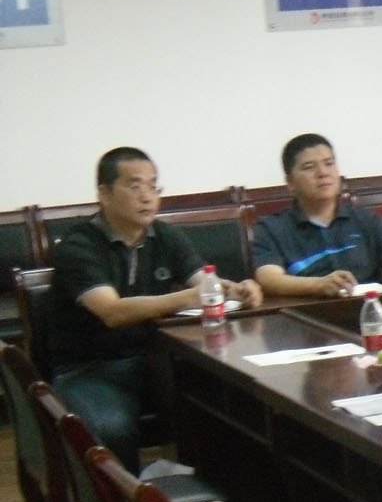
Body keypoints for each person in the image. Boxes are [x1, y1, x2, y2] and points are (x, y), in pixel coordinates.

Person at [46, 147, 263, 469]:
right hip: (90, 369)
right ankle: (126, 501)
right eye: (135, 186)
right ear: (104, 194)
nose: (147, 196)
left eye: (153, 186)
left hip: (154, 359)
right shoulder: (79, 245)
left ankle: (207, 493)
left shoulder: (165, 235)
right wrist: (187, 298)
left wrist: (238, 289)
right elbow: (112, 312)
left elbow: (203, 281)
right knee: (111, 429)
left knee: (226, 407)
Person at [250, 133, 382, 297]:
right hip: (304, 314)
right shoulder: (271, 228)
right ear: (290, 183)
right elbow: (268, 279)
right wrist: (318, 285)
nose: (323, 173)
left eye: (329, 164)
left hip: (369, 308)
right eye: (309, 167)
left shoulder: (367, 220)